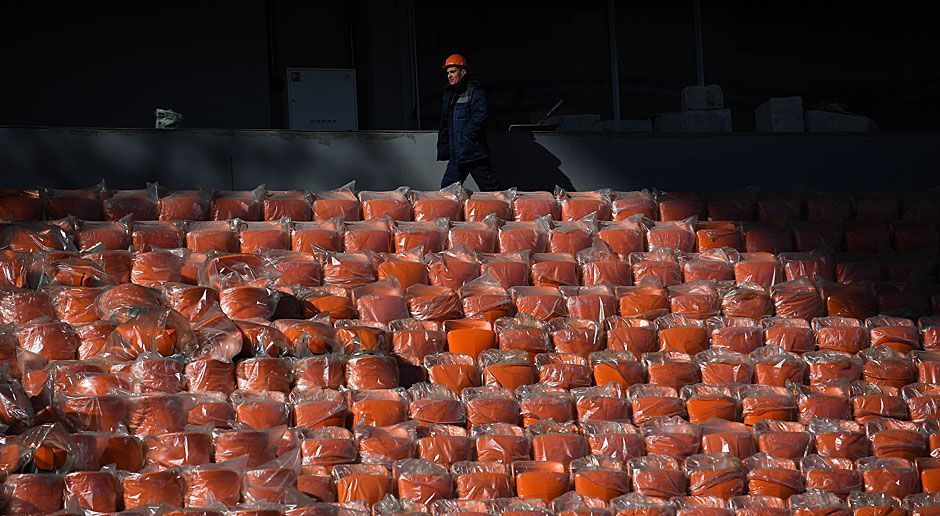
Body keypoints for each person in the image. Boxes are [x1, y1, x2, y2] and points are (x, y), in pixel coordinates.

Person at [437, 53, 501, 191]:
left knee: (490, 190)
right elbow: (446, 124)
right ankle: (450, 213)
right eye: (448, 72)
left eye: (453, 71)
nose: (449, 75)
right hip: (457, 154)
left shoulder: (475, 91)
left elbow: (481, 115)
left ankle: (503, 211)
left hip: (474, 154)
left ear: (463, 72)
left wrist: (466, 136)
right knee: (447, 191)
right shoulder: (450, 95)